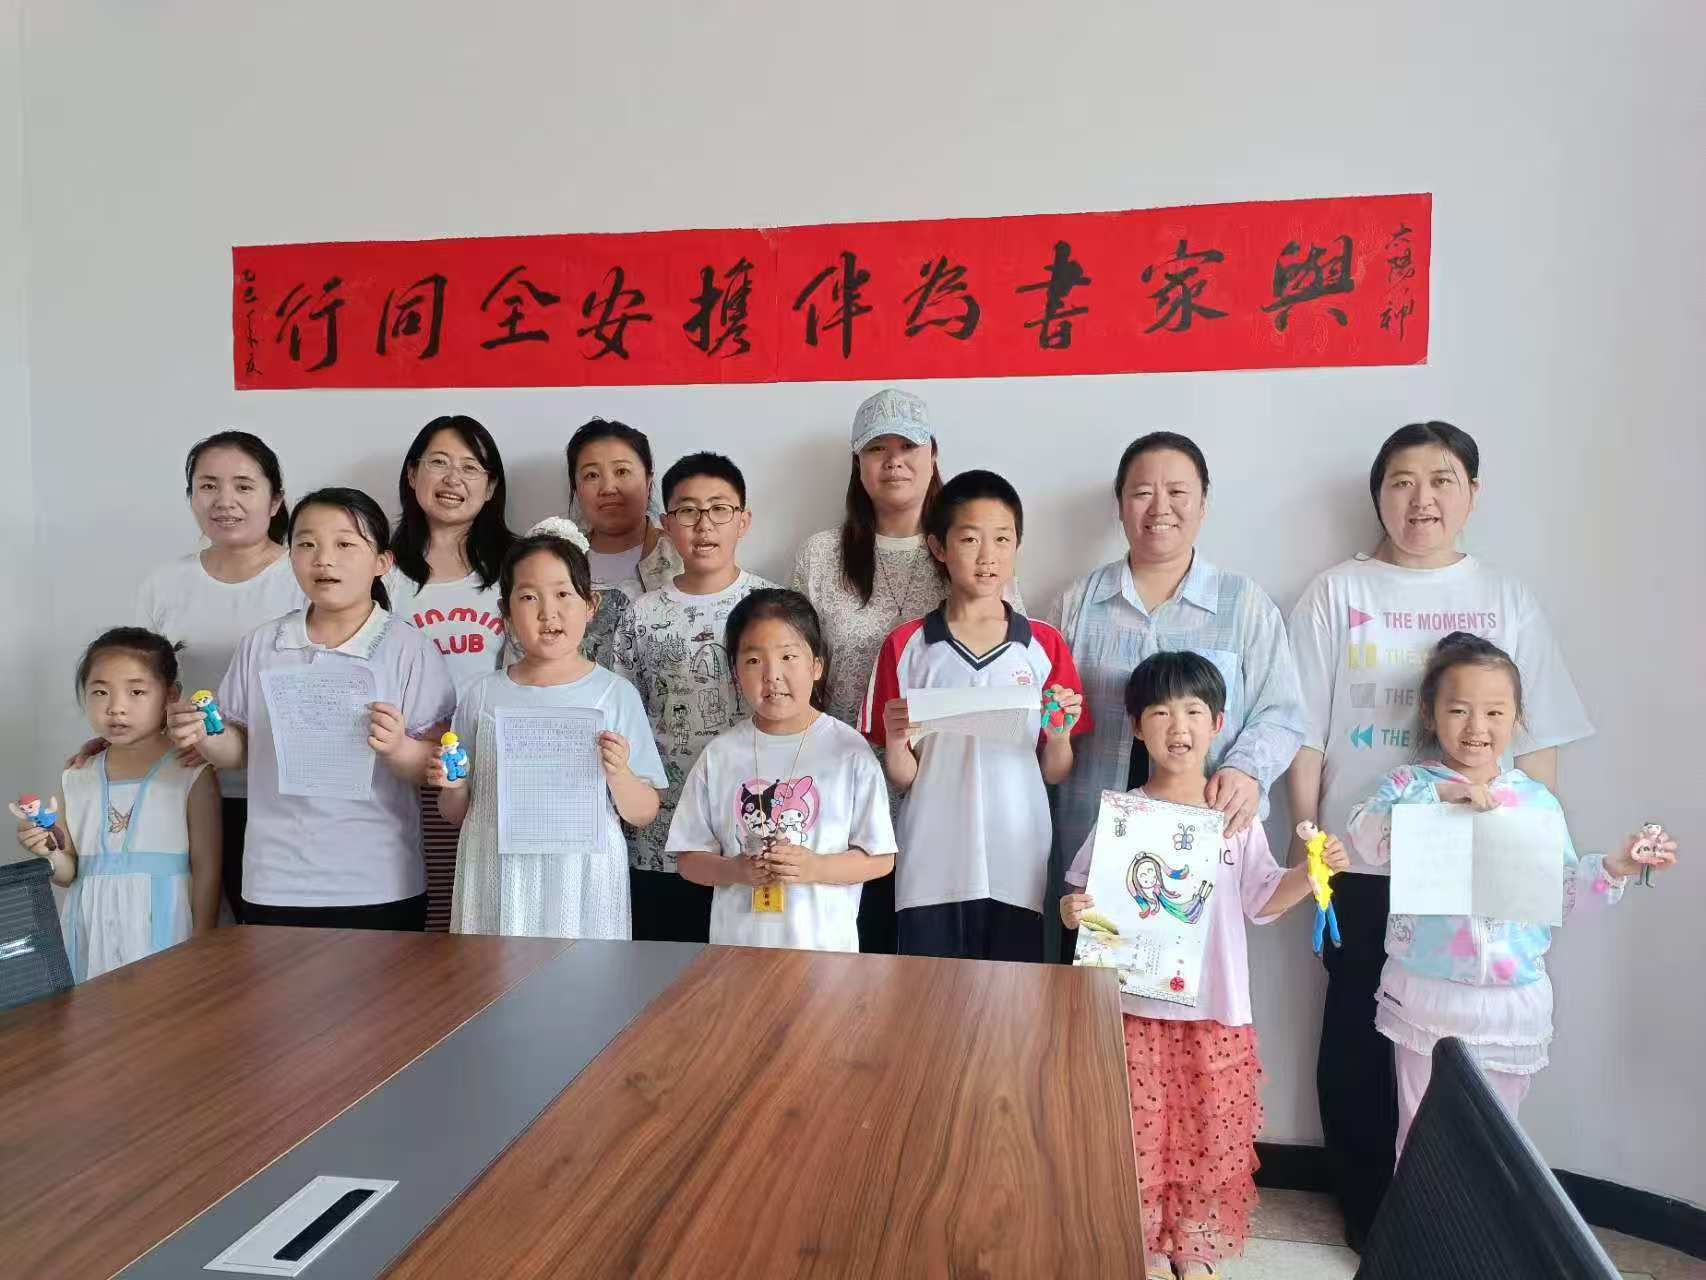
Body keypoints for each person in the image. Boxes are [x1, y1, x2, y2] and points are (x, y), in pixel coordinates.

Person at [1286, 421, 1594, 1244]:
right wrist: (1309, 844)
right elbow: (1302, 731)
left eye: (1442, 480)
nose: (1421, 499)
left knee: (1466, 1052)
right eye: (1402, 481)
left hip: (1477, 864)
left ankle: (1462, 1214)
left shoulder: (1506, 597)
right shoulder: (1337, 593)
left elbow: (1539, 739)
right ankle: (1373, 1216)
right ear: (1378, 494)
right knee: (1359, 1032)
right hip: (1365, 856)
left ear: (1472, 494)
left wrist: (1535, 851)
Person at [1060, 650, 1349, 1280]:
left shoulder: (1236, 821)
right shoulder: (1123, 816)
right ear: (1137, 726)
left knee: (1206, 1128)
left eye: (1193, 711)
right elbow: (1080, 896)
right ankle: (1137, 1245)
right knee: (1134, 1130)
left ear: (1218, 723)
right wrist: (1072, 910)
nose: (1178, 727)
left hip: (1214, 1008)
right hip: (1133, 1007)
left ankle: (1192, 1249)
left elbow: (1262, 900)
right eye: (1161, 713)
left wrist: (1312, 873)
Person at [1346, 633, 1674, 1158]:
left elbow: (1563, 895)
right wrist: (1440, 796)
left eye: (1495, 712)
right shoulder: (1409, 785)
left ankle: (1483, 1218)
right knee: (1419, 1136)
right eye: (1459, 710)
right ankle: (1420, 1215)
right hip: (1428, 994)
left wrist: (1616, 867)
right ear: (1430, 712)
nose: (1477, 727)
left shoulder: (1534, 802)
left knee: (1496, 1148)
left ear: (1517, 718)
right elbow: (1365, 839)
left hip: (1511, 1004)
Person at [1052, 432, 1304, 960]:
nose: (1160, 507)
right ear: (1120, 505)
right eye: (1143, 492)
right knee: (1093, 996)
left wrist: (1246, 770)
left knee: (1195, 983)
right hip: (1095, 849)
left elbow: (1281, 714)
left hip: (1202, 858)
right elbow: (1048, 717)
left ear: (1203, 504)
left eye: (1178, 492)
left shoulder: (1245, 605)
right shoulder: (1078, 603)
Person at [790, 388, 1022, 953]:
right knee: (853, 952)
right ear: (858, 463)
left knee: (933, 961)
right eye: (877, 448)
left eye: (908, 446)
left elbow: (1007, 677)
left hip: (945, 790)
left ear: (933, 455)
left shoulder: (972, 547)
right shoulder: (820, 556)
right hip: (842, 787)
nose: (893, 461)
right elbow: (797, 668)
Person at [170, 489, 455, 930]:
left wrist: (399, 748)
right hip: (273, 878)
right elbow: (240, 751)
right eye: (306, 544)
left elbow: (435, 764)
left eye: (345, 544)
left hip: (378, 879)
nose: (324, 559)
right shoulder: (263, 644)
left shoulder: (407, 649)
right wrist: (207, 736)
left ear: (382, 562)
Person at [862, 470, 1087, 962]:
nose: (988, 556)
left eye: (1002, 539)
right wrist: (897, 741)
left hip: (1018, 853)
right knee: (928, 994)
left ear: (1017, 546)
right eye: (969, 539)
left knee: (1010, 996)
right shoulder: (906, 646)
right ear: (938, 547)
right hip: (931, 855)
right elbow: (902, 776)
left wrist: (1059, 736)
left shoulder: (1044, 645)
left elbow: (1055, 770)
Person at [433, 520, 664, 939]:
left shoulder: (614, 694)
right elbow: (457, 812)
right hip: (496, 873)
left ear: (590, 605)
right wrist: (452, 786)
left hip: (581, 877)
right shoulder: (483, 695)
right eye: (528, 597)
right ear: (505, 612)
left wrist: (620, 774)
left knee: (581, 975)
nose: (548, 613)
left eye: (563, 594)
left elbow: (644, 811)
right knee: (493, 975)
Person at [133, 430, 301, 920]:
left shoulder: (304, 576)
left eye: (244, 486)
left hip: (280, 794)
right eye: (208, 486)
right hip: (187, 786)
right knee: (196, 930)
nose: (225, 501)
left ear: (275, 501)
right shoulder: (165, 584)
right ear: (191, 497)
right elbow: (142, 682)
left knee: (272, 937)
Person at [671, 589, 896, 951]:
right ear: (735, 673)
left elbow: (880, 859)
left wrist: (815, 867)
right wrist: (735, 871)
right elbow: (688, 860)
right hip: (737, 954)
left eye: (788, 656)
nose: (772, 675)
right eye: (753, 660)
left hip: (826, 957)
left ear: (816, 666)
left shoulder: (849, 751)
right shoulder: (720, 755)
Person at [613, 452, 778, 942]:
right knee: (666, 972)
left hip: (756, 835)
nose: (704, 525)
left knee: (752, 971)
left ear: (743, 520)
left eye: (720, 509)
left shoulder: (773, 608)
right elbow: (626, 719)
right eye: (687, 511)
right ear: (667, 525)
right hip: (662, 838)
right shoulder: (640, 615)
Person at [16, 628, 220, 981]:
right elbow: (68, 873)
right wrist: (47, 852)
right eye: (100, 692)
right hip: (91, 935)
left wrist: (202, 943)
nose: (116, 707)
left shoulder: (190, 772)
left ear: (170, 696)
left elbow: (208, 869)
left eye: (136, 692)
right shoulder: (76, 777)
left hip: (168, 931)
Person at [386, 414, 516, 930]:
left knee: (486, 918)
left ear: (491, 487)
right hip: (403, 771)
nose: (452, 479)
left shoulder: (516, 566)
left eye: (470, 467)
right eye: (438, 463)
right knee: (427, 917)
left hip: (492, 771)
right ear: (412, 473)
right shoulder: (382, 570)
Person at [564, 417, 682, 595]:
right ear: (575, 488)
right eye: (592, 475)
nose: (608, 488)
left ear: (648, 481)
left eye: (621, 471)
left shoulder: (684, 554)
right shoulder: (560, 563)